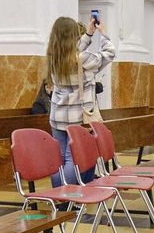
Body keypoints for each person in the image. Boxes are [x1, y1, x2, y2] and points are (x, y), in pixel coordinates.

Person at [45, 14, 114, 185]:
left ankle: (58, 197)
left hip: (57, 116)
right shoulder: (82, 59)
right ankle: (67, 196)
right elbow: (109, 53)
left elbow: (75, 50)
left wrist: (89, 35)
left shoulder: (54, 57)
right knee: (72, 159)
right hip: (76, 117)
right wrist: (102, 34)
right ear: (72, 37)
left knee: (59, 158)